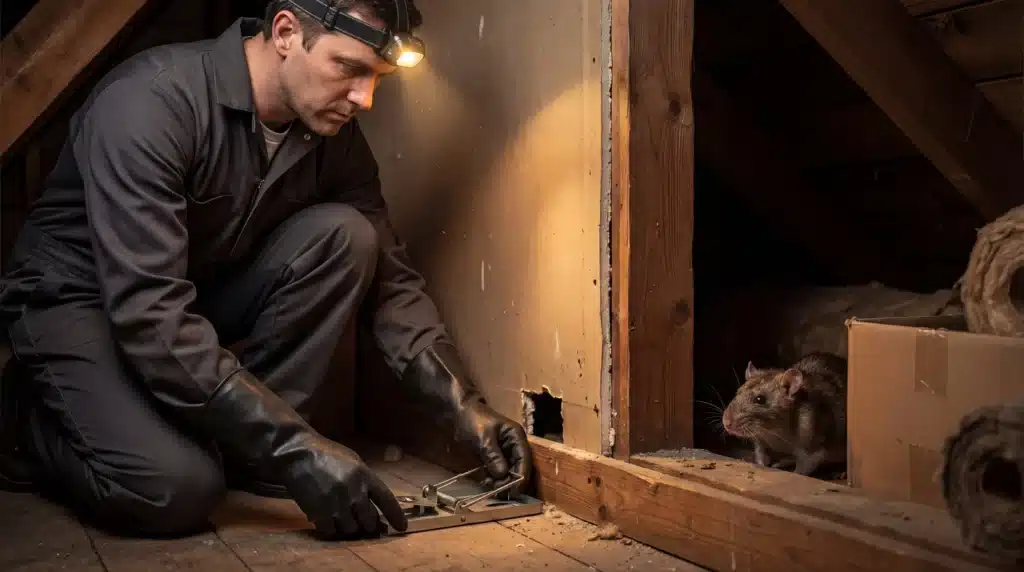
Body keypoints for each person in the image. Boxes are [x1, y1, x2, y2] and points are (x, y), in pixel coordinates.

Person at [0, 0, 532, 540]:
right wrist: (295, 448)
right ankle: (29, 421)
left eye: (378, 79)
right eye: (348, 68)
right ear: (284, 32)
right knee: (173, 489)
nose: (365, 99)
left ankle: (246, 452)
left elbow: (391, 281)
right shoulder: (150, 102)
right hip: (76, 304)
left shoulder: (332, 139)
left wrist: (463, 406)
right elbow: (149, 313)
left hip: (188, 299)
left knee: (347, 235)